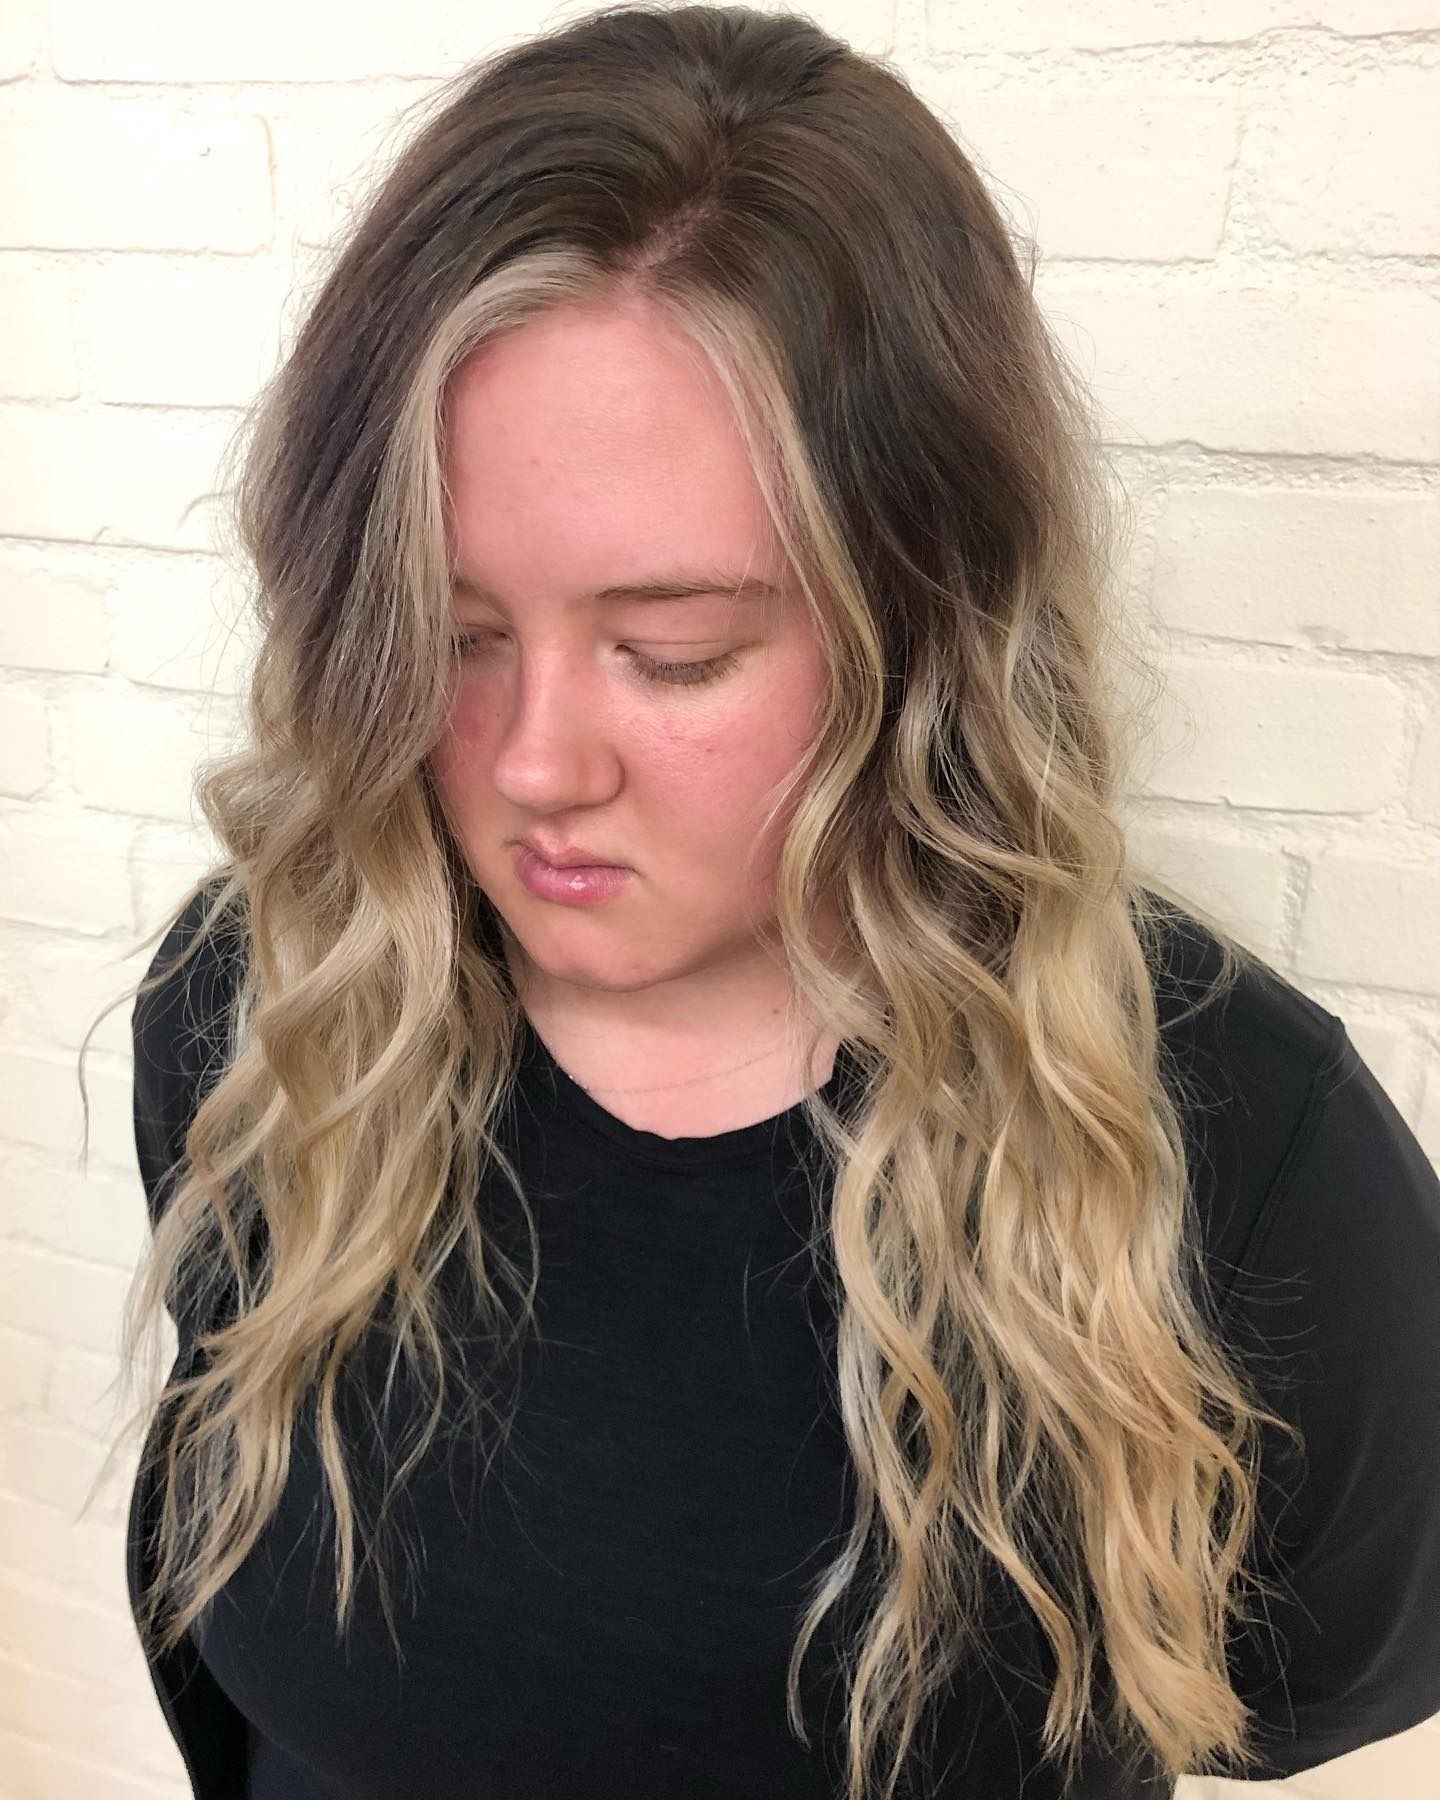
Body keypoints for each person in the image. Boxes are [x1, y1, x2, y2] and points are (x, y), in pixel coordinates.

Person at [99, 6, 1440, 1798]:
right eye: (452, 632)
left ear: (923, 627)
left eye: (675, 653)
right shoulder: (273, 1007)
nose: (532, 765)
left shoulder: (1237, 1157)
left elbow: (1305, 1696)